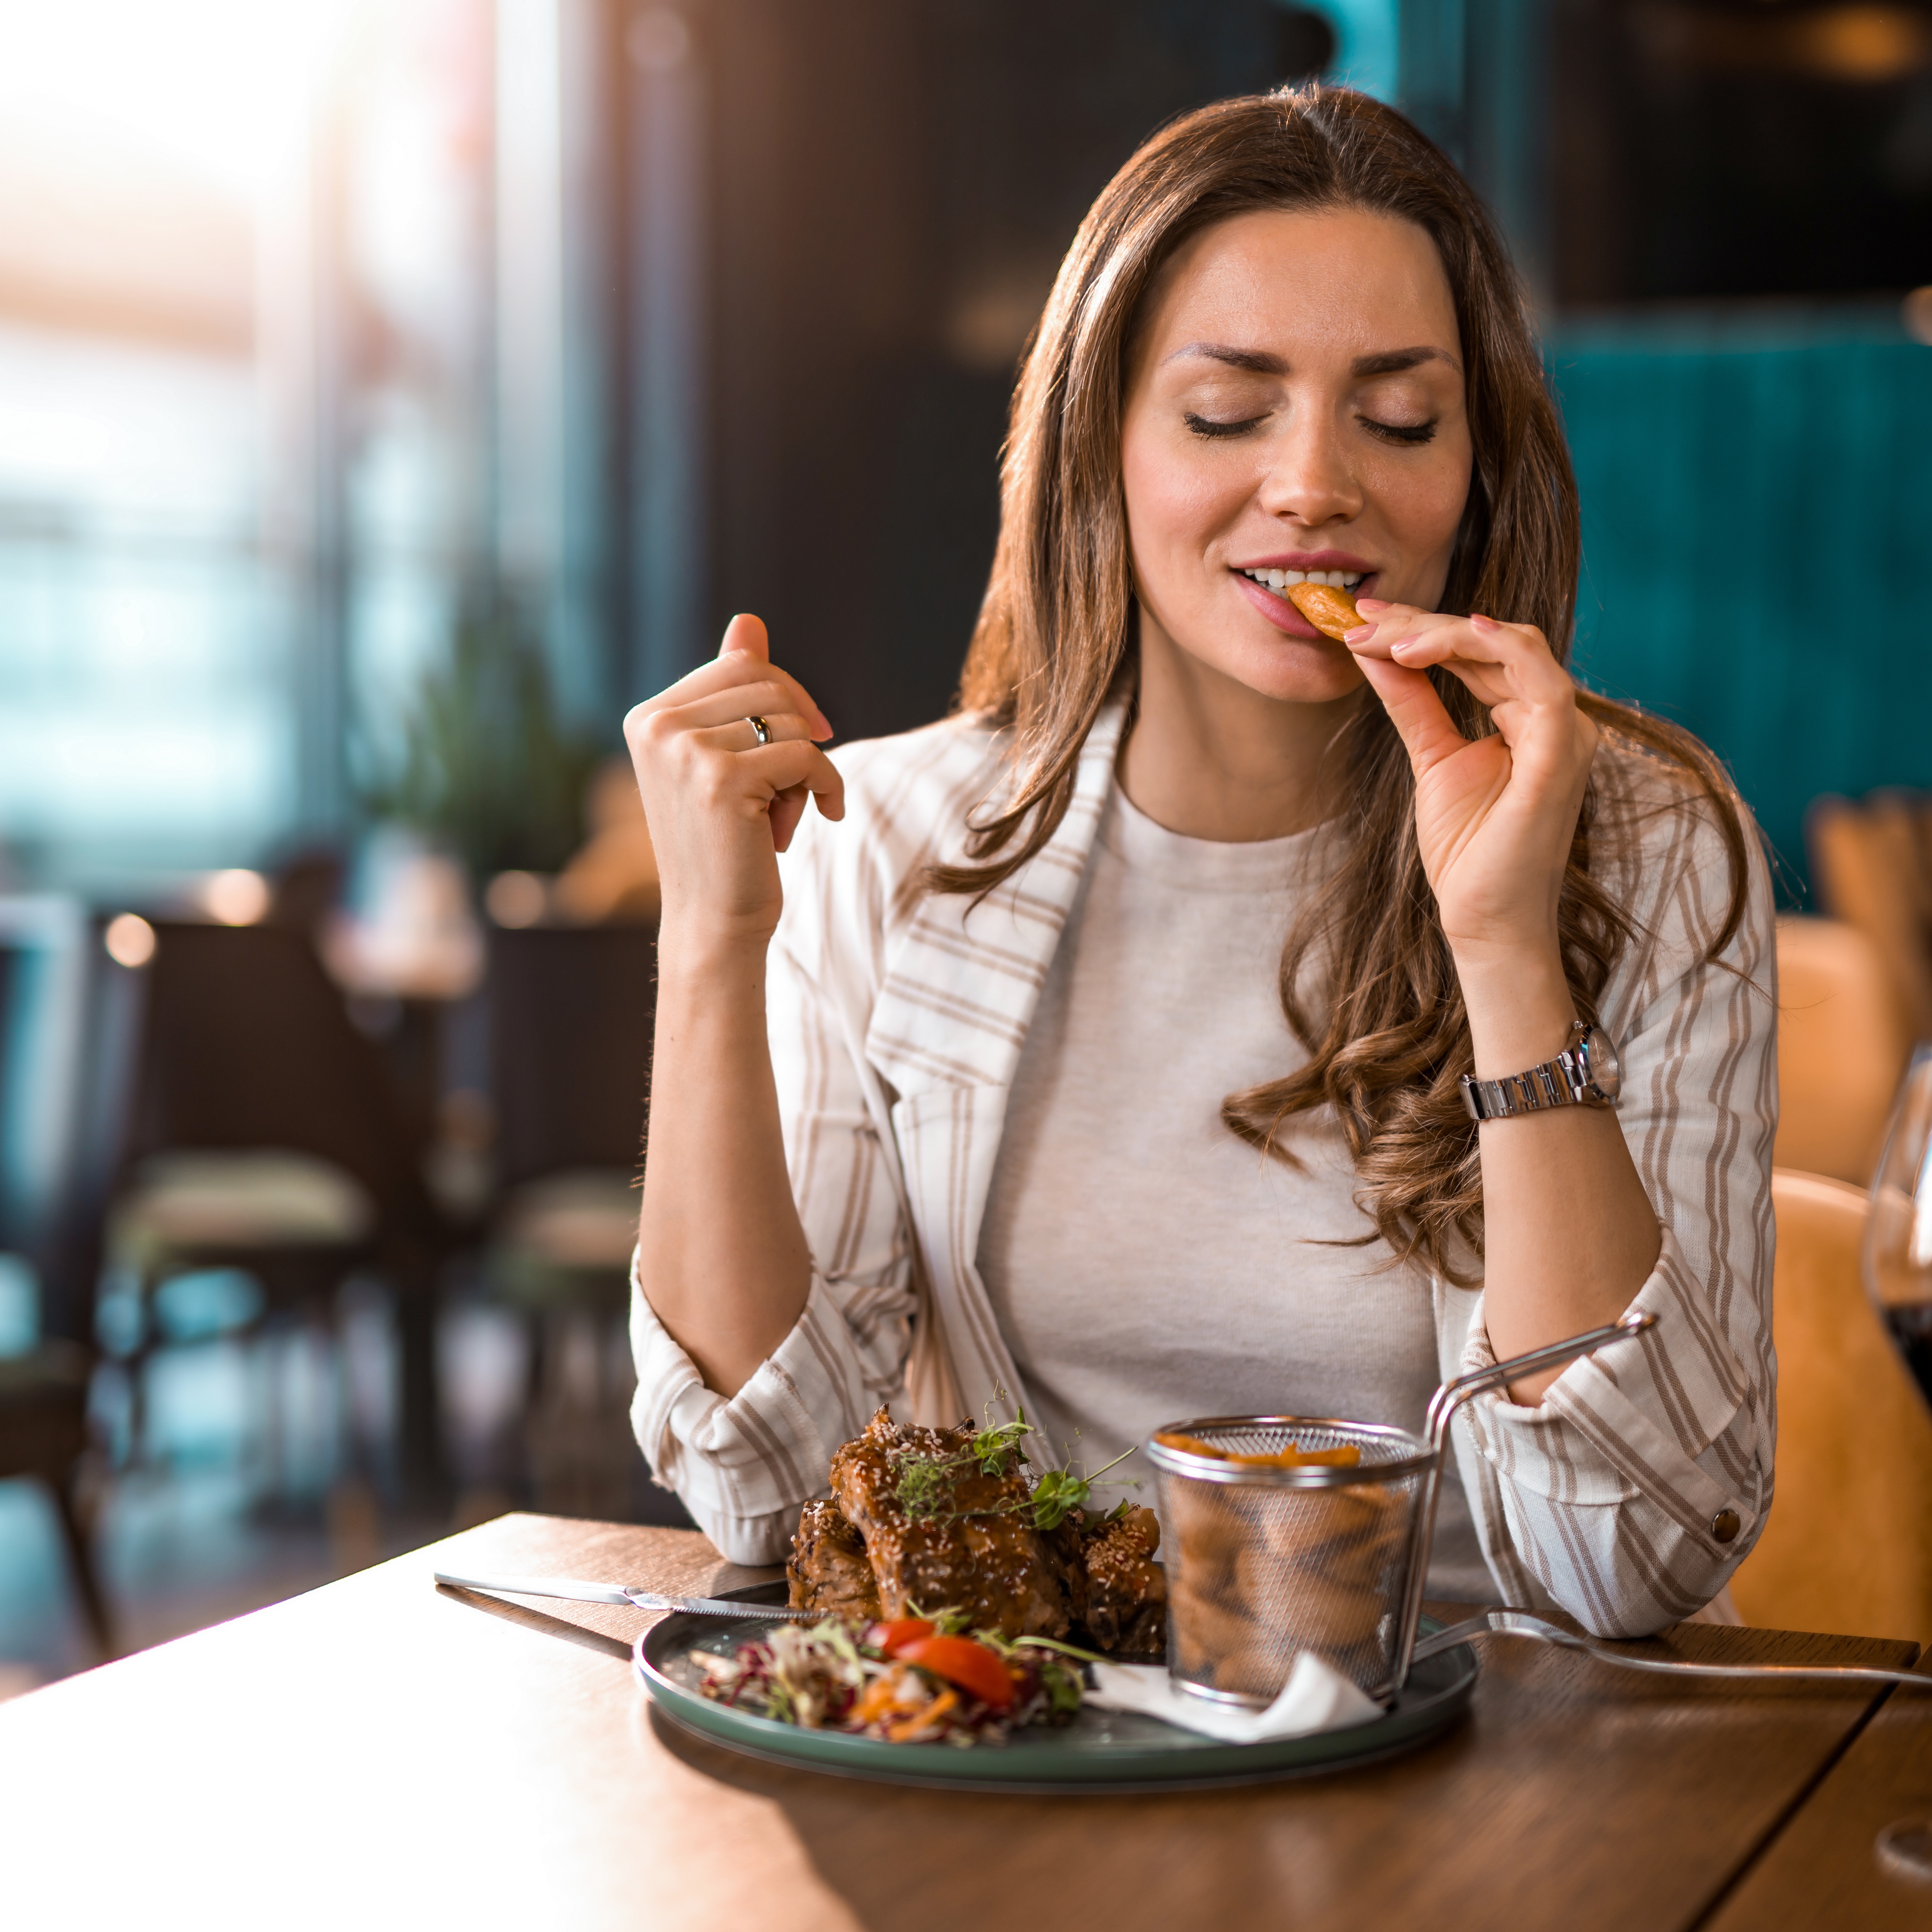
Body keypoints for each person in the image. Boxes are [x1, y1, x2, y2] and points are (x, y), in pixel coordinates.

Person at [622, 85, 1775, 1635]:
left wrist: (1503, 950)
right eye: (1227, 411)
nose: (1313, 484)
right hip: (1043, 1772)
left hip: (1502, 1792)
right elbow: (769, 1491)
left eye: (1399, 416)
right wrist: (709, 940)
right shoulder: (880, 841)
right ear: (1101, 447)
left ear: (1478, 467)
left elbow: (1624, 1559)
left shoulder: (1646, 845)